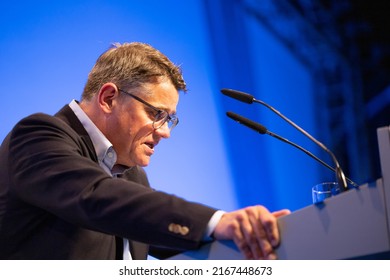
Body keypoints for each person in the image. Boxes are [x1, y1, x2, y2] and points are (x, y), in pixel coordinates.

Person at [0, 42, 290, 260]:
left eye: (170, 120)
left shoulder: (131, 177)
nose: (164, 132)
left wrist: (248, 233)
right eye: (156, 113)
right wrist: (217, 221)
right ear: (109, 98)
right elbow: (97, 198)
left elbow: (161, 231)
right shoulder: (37, 136)